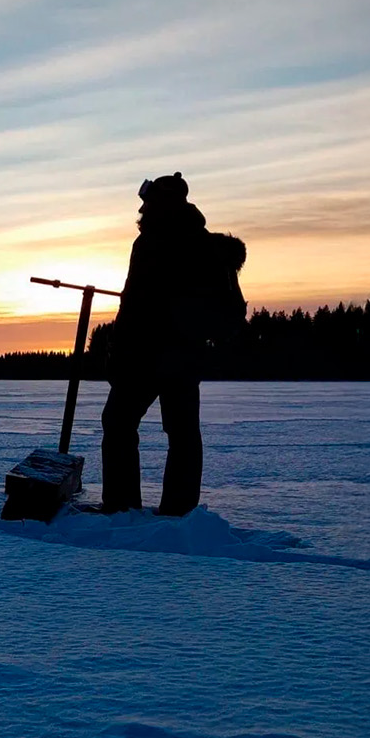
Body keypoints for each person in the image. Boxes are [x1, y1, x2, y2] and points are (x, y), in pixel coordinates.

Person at [101, 172, 246, 515]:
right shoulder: (204, 244)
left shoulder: (153, 242)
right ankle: (177, 512)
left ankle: (123, 507)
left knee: (121, 423)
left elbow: (135, 304)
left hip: (148, 353)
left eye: (147, 201)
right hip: (183, 355)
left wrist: (118, 351)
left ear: (158, 203)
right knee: (180, 434)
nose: (142, 208)